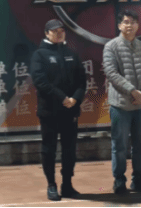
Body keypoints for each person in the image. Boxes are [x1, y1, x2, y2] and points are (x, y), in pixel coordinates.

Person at [31, 19, 87, 201]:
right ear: (47, 33)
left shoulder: (71, 54)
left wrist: (75, 99)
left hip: (70, 111)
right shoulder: (39, 55)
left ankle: (67, 184)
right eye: (55, 31)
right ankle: (51, 185)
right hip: (49, 111)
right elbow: (41, 82)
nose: (59, 33)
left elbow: (82, 81)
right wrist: (62, 98)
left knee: (69, 150)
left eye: (61, 30)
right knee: (49, 149)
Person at [103, 10, 141, 194]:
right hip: (120, 106)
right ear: (119, 25)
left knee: (140, 144)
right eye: (126, 22)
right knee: (119, 145)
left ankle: (139, 179)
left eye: (133, 22)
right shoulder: (111, 46)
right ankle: (119, 180)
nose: (129, 25)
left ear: (138, 25)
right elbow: (111, 73)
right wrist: (133, 91)